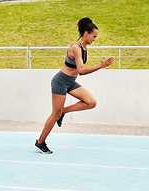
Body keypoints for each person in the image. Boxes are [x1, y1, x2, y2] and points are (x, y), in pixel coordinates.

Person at [35, 17, 115, 154]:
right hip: (60, 81)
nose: (94, 39)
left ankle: (63, 112)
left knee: (91, 102)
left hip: (70, 82)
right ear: (86, 33)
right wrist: (101, 66)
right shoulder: (76, 48)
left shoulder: (84, 48)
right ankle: (40, 142)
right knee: (55, 114)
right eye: (93, 36)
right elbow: (81, 71)